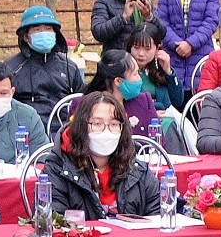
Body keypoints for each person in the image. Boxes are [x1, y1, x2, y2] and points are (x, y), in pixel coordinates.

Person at [43, 90, 161, 220]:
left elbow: (158, 221)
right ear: (82, 126)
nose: (107, 130)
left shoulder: (138, 171)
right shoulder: (58, 170)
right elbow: (52, 222)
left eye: (114, 124)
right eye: (97, 124)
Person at [10, 3, 84, 122]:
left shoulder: (69, 67)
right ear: (26, 37)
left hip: (65, 130)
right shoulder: (12, 68)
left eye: (48, 29)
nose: (43, 33)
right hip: (28, 130)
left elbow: (81, 103)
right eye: (37, 29)